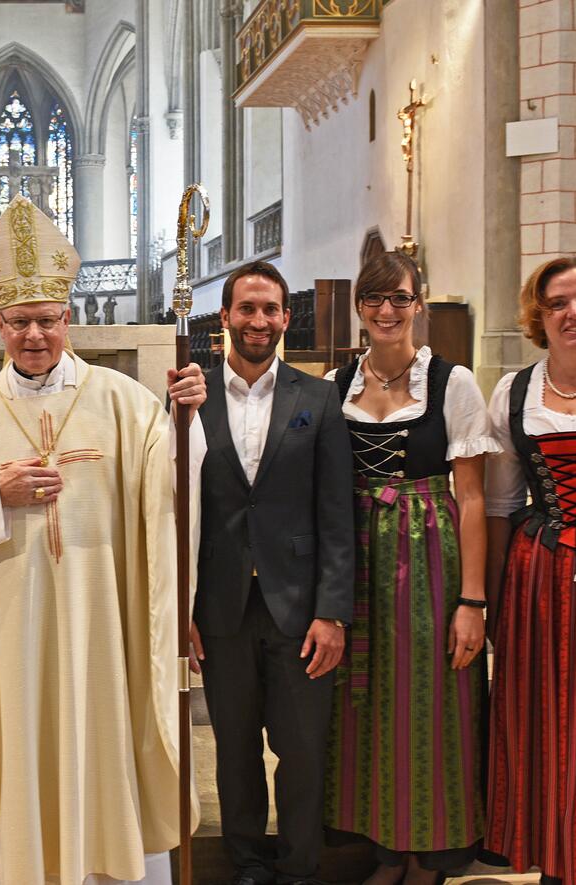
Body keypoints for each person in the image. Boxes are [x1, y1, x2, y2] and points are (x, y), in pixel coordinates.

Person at [0, 195, 207, 885]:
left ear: (68, 318)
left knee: (108, 744)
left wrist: (188, 423)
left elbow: (172, 490)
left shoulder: (124, 403)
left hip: (106, 628)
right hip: (15, 636)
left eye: (46, 320)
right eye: (20, 322)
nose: (34, 335)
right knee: (28, 747)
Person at [322, 252, 495, 883]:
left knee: (430, 703)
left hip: (428, 563)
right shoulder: (338, 385)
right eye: (374, 299)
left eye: (399, 298)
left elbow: (472, 496)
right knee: (365, 708)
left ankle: (429, 857)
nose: (387, 311)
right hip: (356, 557)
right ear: (360, 308)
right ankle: (386, 852)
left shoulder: (453, 382)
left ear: (418, 303)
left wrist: (472, 602)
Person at [190, 260, 353, 885]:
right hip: (223, 605)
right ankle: (248, 863)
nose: (258, 321)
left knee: (303, 751)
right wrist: (183, 608)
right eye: (247, 309)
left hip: (300, 606)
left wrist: (332, 611)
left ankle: (299, 866)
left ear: (286, 318)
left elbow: (336, 513)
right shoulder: (190, 394)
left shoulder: (317, 398)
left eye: (270, 310)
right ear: (225, 317)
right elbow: (175, 509)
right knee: (233, 750)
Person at [484, 255, 576, 885]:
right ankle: (561, 857)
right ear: (538, 318)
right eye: (558, 304)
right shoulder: (514, 392)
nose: (575, 313)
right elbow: (498, 507)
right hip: (539, 578)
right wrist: (490, 600)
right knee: (546, 716)